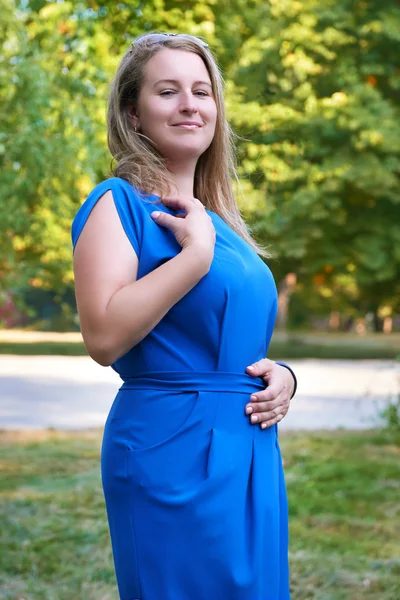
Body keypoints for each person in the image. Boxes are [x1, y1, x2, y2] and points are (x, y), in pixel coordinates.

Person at [71, 32, 297, 600]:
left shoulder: (224, 225)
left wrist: (283, 377)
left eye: (202, 91)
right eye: (167, 91)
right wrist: (192, 259)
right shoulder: (116, 204)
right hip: (168, 447)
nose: (190, 104)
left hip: (250, 451)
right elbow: (103, 336)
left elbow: (233, 336)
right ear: (133, 112)